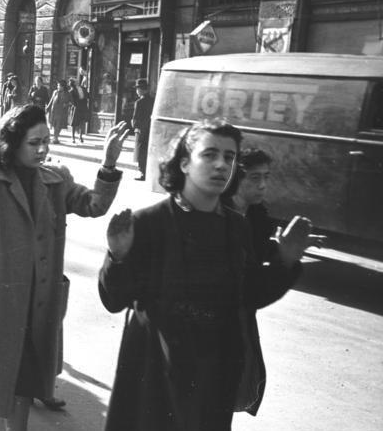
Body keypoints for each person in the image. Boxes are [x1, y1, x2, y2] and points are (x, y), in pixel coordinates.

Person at [98, 120, 314, 431]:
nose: (221, 165)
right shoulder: (148, 223)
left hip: (212, 371)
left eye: (229, 157)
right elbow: (114, 300)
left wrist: (284, 263)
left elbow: (249, 295)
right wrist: (117, 257)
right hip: (156, 370)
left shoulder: (236, 227)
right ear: (184, 162)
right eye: (209, 154)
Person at [0, 104, 131, 431]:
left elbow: (94, 205)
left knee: (22, 383)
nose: (42, 150)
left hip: (36, 303)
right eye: (34, 142)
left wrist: (108, 163)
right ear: (13, 142)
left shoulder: (55, 178)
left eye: (46, 141)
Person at [221, 148, 325, 265]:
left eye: (266, 177)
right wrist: (287, 255)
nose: (262, 185)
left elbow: (258, 250)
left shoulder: (256, 214)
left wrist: (292, 245)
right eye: (255, 178)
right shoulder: (219, 216)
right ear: (234, 180)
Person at [131, 78, 153, 180]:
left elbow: (136, 118)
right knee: (148, 150)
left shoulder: (139, 102)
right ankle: (148, 171)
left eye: (137, 89)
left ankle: (142, 172)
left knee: (141, 152)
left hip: (141, 130)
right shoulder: (153, 100)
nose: (137, 91)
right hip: (151, 129)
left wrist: (135, 126)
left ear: (141, 90)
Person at [45, 79, 71, 145]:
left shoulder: (67, 93)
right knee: (54, 124)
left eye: (59, 85)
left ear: (63, 86)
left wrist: (66, 104)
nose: (58, 87)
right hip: (54, 110)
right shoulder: (55, 92)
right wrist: (47, 108)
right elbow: (51, 100)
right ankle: (55, 137)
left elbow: (70, 102)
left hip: (62, 111)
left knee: (59, 125)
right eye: (57, 85)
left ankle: (55, 138)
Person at [68, 78, 90, 144]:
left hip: (83, 106)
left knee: (82, 121)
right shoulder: (72, 90)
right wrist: (75, 105)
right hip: (76, 107)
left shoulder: (82, 88)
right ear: (74, 83)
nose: (77, 80)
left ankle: (80, 136)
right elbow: (71, 100)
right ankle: (73, 137)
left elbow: (87, 95)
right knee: (74, 123)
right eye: (75, 81)